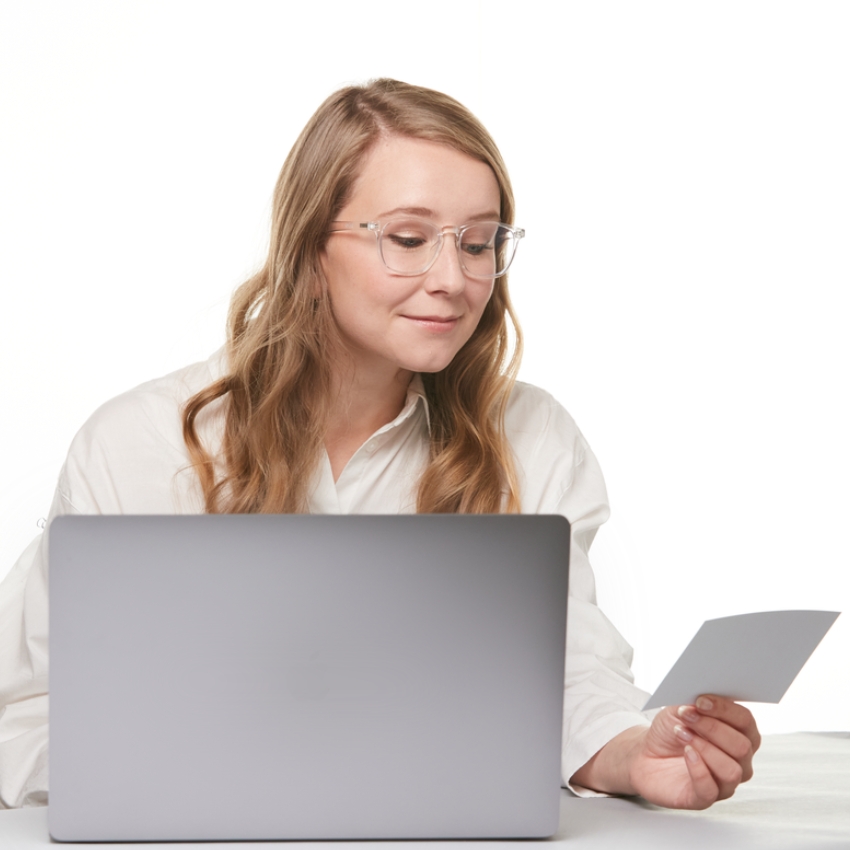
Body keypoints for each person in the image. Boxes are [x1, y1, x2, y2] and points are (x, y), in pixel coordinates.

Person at [0, 78, 759, 811]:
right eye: (407, 238)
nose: (453, 279)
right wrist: (173, 781)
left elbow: (567, 674)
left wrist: (636, 757)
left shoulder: (532, 439)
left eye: (478, 243)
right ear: (310, 247)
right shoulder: (137, 445)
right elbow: (32, 704)